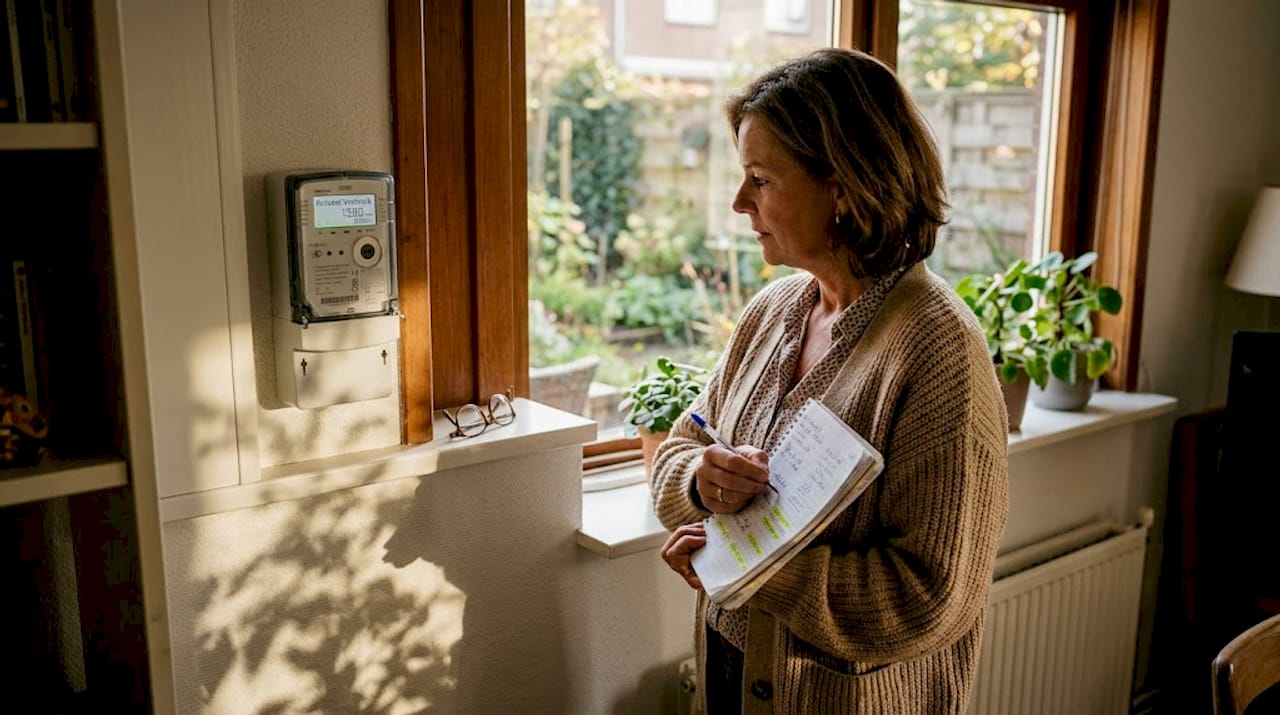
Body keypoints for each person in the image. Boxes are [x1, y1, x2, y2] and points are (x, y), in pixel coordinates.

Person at [652, 47, 1009, 714]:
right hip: (729, 677)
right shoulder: (771, 312)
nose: (738, 202)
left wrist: (754, 568)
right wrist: (701, 480)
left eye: (760, 179)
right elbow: (680, 444)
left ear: (844, 186)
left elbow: (927, 599)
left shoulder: (938, 351)